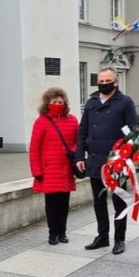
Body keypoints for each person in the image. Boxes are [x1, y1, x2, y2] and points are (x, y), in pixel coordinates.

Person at [75, 65, 137, 255]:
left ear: (115, 81)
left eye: (107, 81)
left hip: (115, 161)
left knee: (119, 200)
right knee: (98, 201)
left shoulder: (125, 102)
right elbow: (82, 130)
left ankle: (119, 239)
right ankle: (102, 236)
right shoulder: (92, 102)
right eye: (100, 82)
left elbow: (132, 132)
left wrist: (125, 155)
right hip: (94, 159)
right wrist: (79, 156)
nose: (103, 84)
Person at [29, 87, 79, 245]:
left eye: (60, 101)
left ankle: (62, 232)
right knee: (51, 205)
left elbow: (79, 141)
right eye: (54, 102)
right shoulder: (42, 121)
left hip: (65, 170)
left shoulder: (72, 120)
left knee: (64, 205)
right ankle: (52, 233)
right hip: (48, 171)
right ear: (47, 103)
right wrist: (36, 171)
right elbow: (34, 148)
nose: (58, 104)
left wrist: (74, 152)